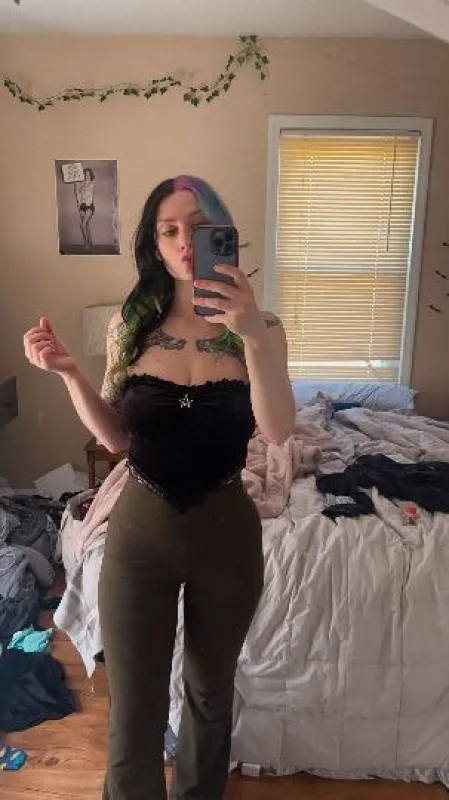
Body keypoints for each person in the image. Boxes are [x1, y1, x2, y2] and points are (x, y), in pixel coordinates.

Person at [23, 175, 295, 800]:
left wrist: (252, 333)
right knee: (135, 704)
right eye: (168, 230)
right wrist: (69, 374)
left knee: (210, 695)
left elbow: (280, 430)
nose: (183, 242)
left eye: (198, 228)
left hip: (228, 535)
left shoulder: (264, 327)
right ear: (153, 243)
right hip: (139, 536)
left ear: (223, 232)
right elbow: (116, 437)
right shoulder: (131, 325)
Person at [74, 167, 95, 250]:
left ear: (91, 175)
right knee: (86, 225)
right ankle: (90, 241)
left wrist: (79, 188)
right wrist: (76, 186)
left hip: (89, 206)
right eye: (85, 174)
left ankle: (86, 243)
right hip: (82, 206)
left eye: (88, 174)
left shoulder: (92, 183)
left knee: (82, 225)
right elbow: (78, 195)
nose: (87, 176)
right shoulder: (82, 184)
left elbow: (88, 194)